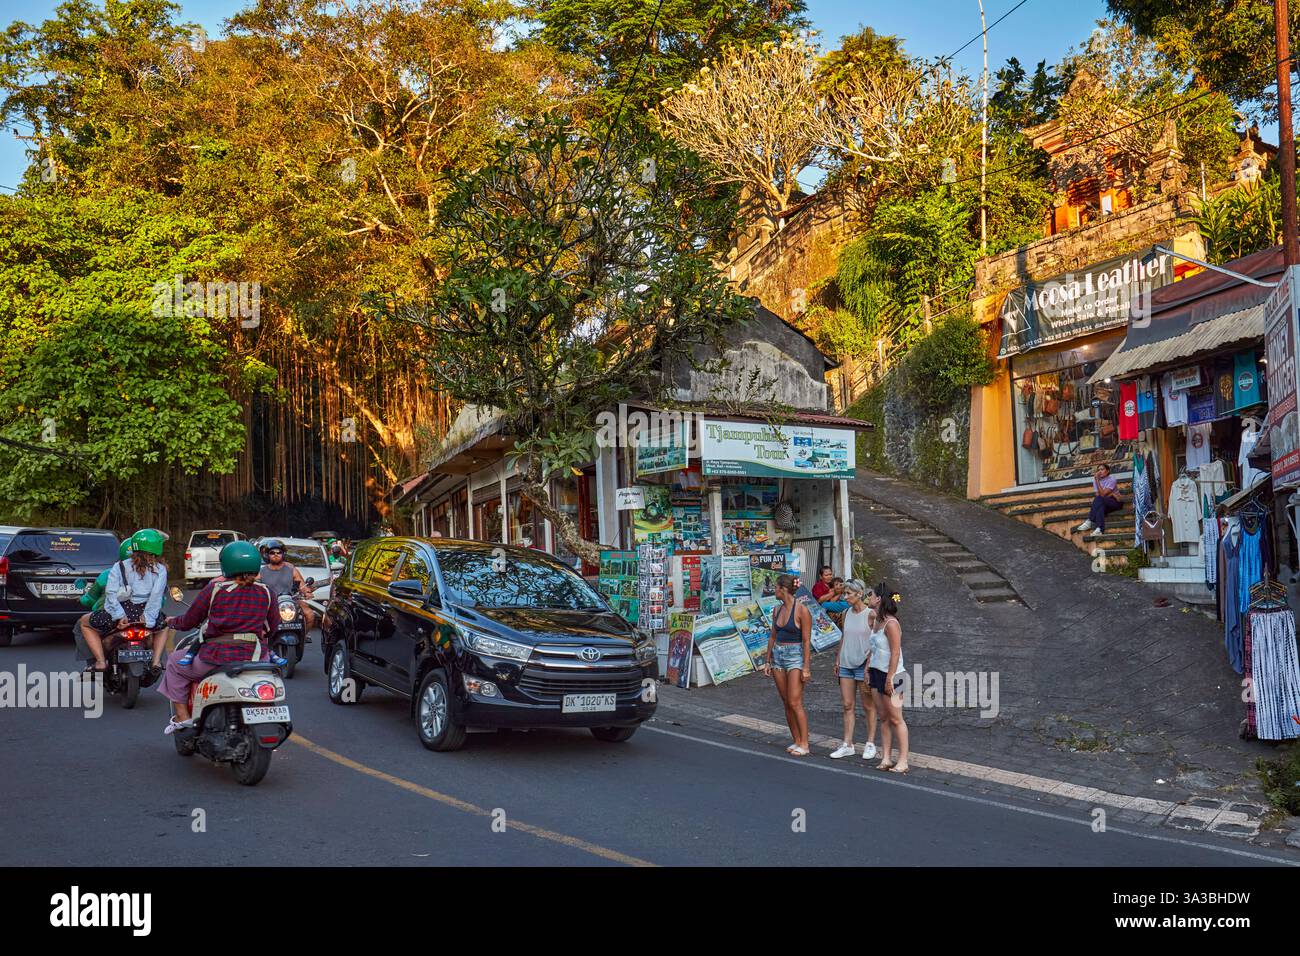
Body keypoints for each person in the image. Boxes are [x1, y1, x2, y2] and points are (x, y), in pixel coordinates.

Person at [158, 541, 281, 734]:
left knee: (174, 663)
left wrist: (172, 622)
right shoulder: (267, 593)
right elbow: (274, 627)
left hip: (217, 657)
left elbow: (190, 621)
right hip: (256, 657)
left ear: (226, 564)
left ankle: (182, 718)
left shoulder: (215, 589)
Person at [84, 529, 169, 680]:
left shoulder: (119, 566)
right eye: (151, 555)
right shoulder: (160, 570)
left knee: (84, 623)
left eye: (153, 556)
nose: (152, 558)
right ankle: (156, 663)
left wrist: (119, 616)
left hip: (121, 613)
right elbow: (155, 597)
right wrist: (148, 619)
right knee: (164, 626)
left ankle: (101, 662)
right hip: (143, 614)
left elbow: (111, 593)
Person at [829, 580, 882, 760]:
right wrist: (838, 658)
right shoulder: (845, 613)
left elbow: (877, 641)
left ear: (859, 594)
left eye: (848, 594)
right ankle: (848, 744)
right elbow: (844, 636)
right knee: (847, 705)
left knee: (868, 705)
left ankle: (870, 743)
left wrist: (869, 664)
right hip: (845, 662)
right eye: (844, 593)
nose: (845, 597)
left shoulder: (871, 615)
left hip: (863, 664)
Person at [762, 574, 812, 756]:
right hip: (778, 655)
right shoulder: (776, 610)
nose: (773, 590)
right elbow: (772, 636)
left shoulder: (802, 611)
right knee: (786, 702)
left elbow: (807, 641)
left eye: (775, 587)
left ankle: (805, 743)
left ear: (783, 589)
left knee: (795, 701)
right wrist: (767, 660)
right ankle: (796, 739)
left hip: (795, 656)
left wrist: (806, 667)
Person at [867, 582, 909, 773]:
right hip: (877, 672)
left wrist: (890, 677)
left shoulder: (891, 624)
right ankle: (886, 757)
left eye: (871, 595)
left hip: (895, 675)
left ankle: (903, 760)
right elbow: (873, 649)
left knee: (896, 718)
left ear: (878, 599)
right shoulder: (876, 620)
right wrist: (868, 668)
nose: (868, 598)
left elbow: (895, 653)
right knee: (883, 717)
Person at [256, 538, 317, 632]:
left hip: (291, 600)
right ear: (267, 555)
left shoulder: (291, 568)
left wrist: (307, 592)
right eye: (272, 553)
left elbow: (301, 584)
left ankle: (303, 637)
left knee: (309, 614)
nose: (276, 555)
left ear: (283, 554)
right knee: (256, 619)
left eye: (278, 552)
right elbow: (253, 583)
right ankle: (263, 641)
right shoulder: (262, 571)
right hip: (270, 603)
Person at [1076, 464, 1122, 538]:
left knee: (1099, 500)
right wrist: (1110, 494)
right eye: (1098, 470)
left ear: (1107, 471)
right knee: (1100, 506)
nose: (1100, 472)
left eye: (1102, 469)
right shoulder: (1095, 481)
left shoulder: (1112, 479)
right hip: (1103, 502)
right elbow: (1099, 495)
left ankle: (1089, 520)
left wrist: (1097, 480)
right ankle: (1099, 529)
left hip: (1115, 502)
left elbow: (1103, 494)